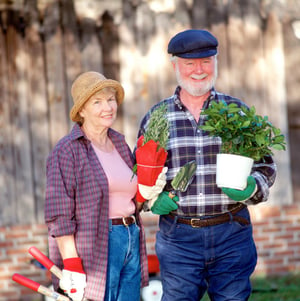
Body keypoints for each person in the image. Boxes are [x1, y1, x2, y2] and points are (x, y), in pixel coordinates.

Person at [136, 29, 277, 301]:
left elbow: (266, 167)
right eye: (189, 63)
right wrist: (152, 200)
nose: (198, 70)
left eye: (206, 61)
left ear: (216, 61)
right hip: (178, 238)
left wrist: (250, 189)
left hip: (232, 232)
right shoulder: (157, 117)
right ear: (175, 65)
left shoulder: (237, 111)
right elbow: (140, 172)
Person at [45, 71, 149, 301]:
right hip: (98, 243)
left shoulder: (120, 143)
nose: (108, 107)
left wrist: (150, 189)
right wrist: (71, 263)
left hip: (131, 235)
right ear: (82, 110)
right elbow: (58, 213)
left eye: (111, 100)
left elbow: (131, 197)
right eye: (97, 102)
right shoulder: (67, 150)